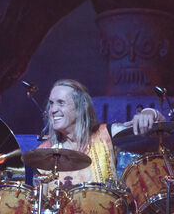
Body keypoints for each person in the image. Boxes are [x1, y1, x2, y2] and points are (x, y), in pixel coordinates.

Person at [37, 78, 165, 186]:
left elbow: (160, 132)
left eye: (61, 103)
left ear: (80, 107)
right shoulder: (44, 152)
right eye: (51, 103)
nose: (53, 110)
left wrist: (150, 113)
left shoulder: (106, 134)